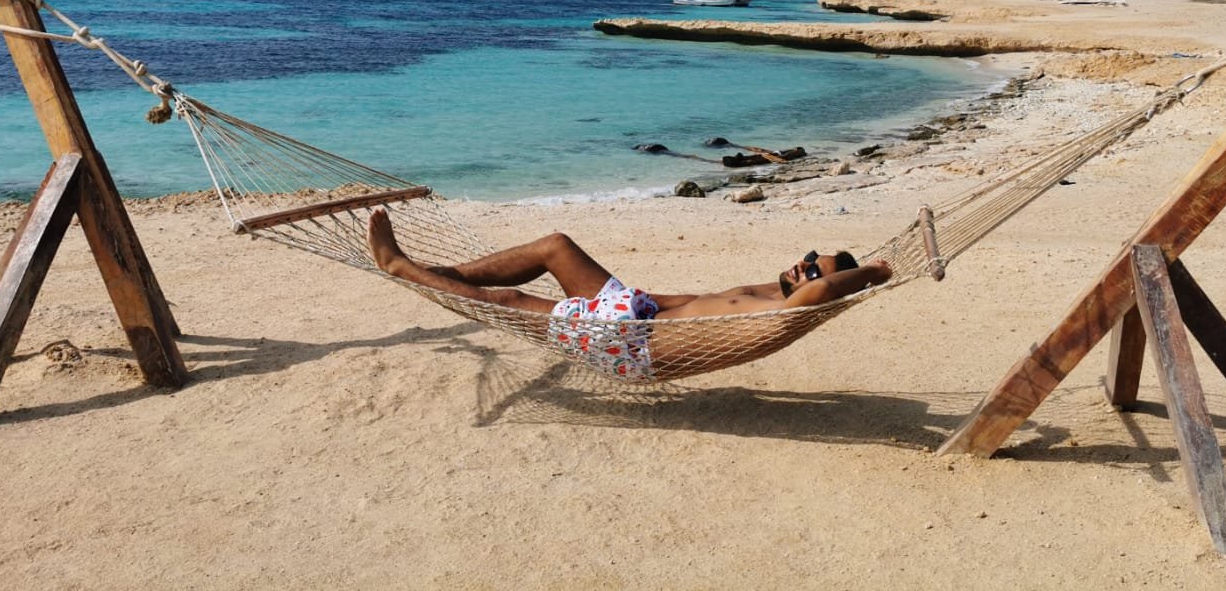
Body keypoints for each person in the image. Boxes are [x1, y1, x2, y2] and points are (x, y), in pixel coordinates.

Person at [367, 207, 892, 380]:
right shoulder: (766, 292)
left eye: (811, 271)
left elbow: (813, 297)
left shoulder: (787, 314)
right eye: (808, 256)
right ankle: (439, 271)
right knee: (556, 246)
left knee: (510, 305)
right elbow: (688, 302)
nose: (801, 266)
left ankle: (399, 267)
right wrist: (630, 296)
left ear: (826, 289)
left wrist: (867, 272)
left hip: (630, 348)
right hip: (632, 314)